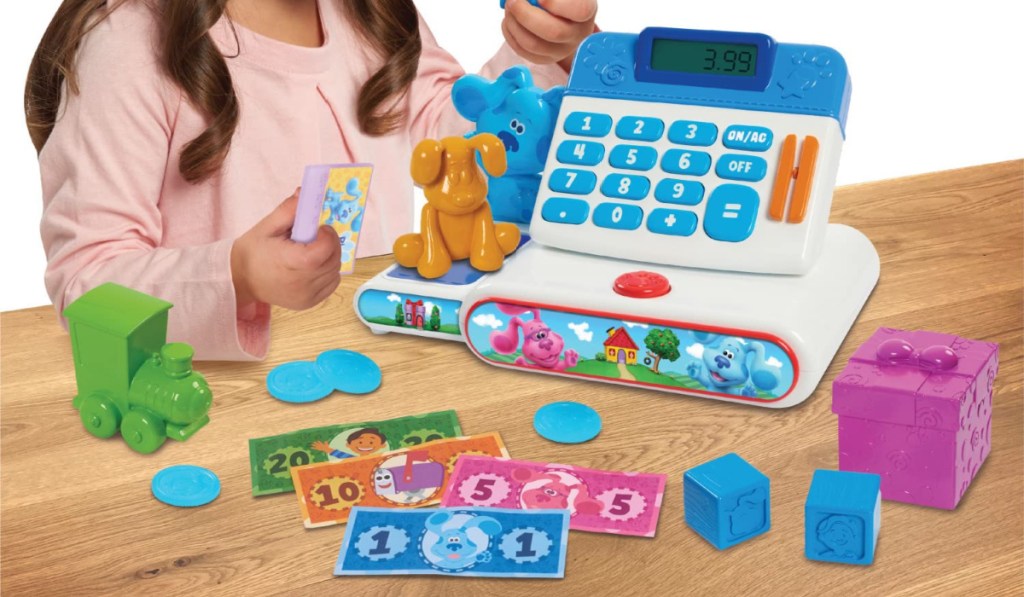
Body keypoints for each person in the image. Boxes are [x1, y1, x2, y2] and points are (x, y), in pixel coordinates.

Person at [27, 0, 598, 360]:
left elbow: (459, 139)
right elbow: (87, 283)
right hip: (218, 402)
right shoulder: (128, 41)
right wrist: (240, 273)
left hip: (376, 364)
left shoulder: (373, 11)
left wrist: (545, 54)